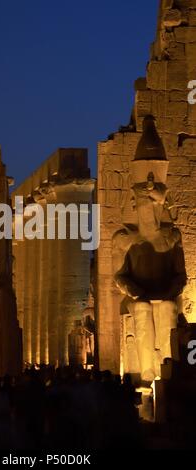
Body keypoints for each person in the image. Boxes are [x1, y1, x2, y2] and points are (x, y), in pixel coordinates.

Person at [113, 116, 187, 383]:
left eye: (155, 206)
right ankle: (148, 372)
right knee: (143, 308)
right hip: (139, 294)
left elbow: (182, 276)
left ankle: (169, 369)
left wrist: (172, 290)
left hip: (164, 293)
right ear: (135, 204)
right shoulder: (126, 239)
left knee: (168, 308)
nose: (151, 213)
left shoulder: (172, 237)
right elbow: (120, 276)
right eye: (146, 205)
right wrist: (134, 290)